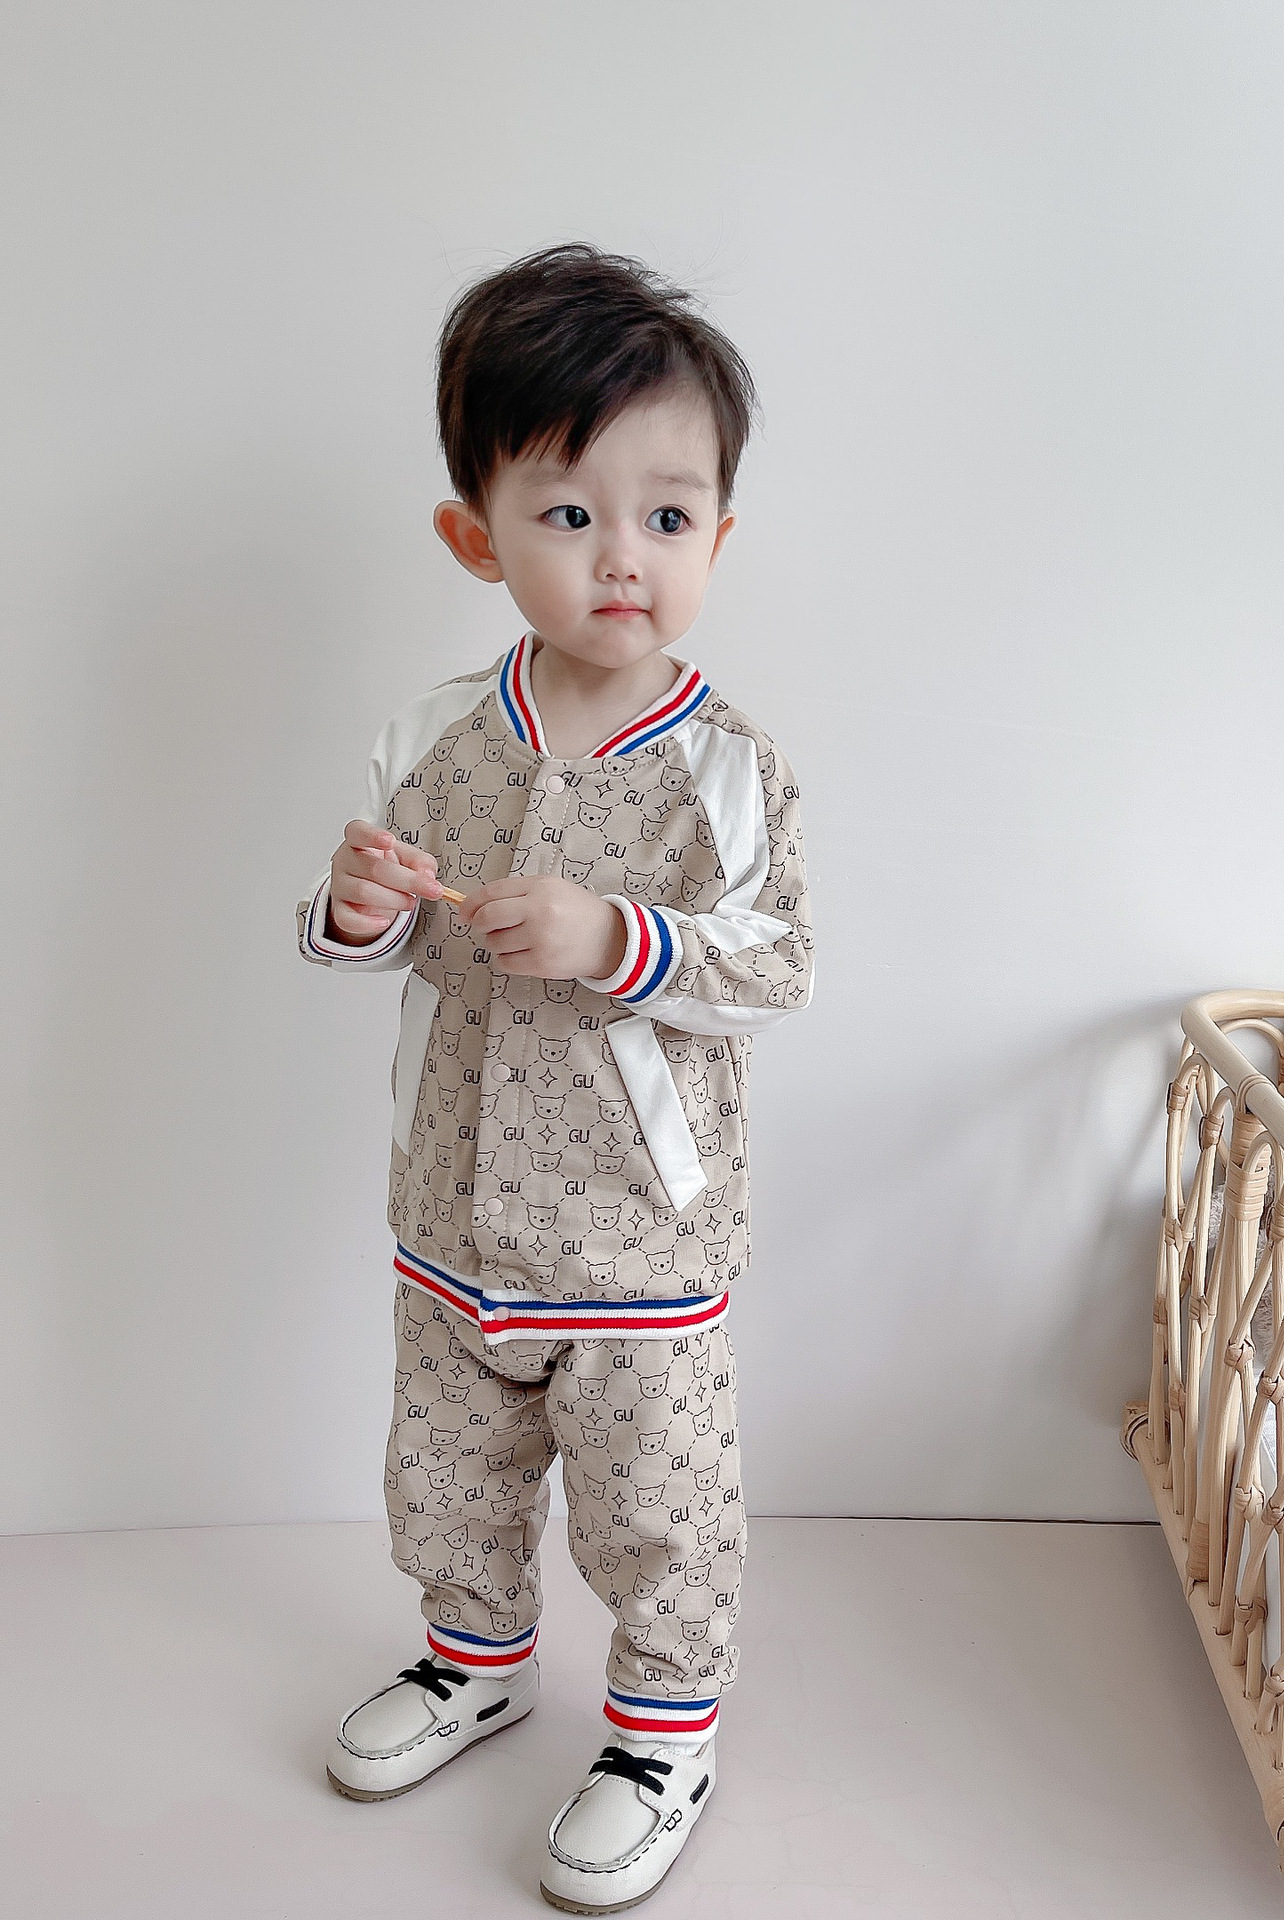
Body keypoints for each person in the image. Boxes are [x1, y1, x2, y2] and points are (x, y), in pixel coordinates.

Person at [296, 242, 812, 1912]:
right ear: (480, 537)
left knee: (660, 1505)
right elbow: (378, 937)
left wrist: (617, 937)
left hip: (639, 1246)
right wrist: (358, 909)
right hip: (451, 1219)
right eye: (571, 512)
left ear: (718, 538)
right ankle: (474, 1660)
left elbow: (776, 966)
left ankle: (662, 1732)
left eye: (667, 516)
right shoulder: (434, 734)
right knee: (447, 1474)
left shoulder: (728, 770)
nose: (621, 556)